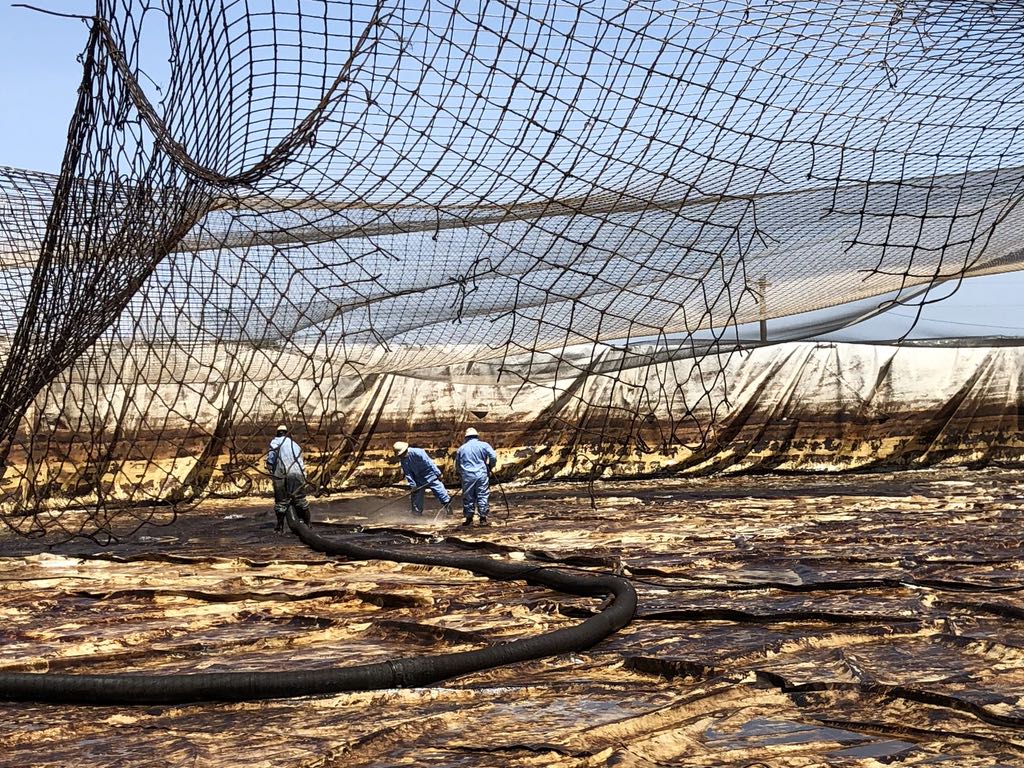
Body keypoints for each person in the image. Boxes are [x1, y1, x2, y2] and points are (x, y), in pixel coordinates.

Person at [265, 424, 311, 532]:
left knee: (281, 501)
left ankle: (279, 527)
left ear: (278, 433)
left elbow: (271, 457)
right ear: (286, 433)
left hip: (282, 474)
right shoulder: (295, 445)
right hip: (298, 474)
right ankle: (308, 524)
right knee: (300, 500)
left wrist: (269, 466)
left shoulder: (276, 441)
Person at [394, 441, 452, 517]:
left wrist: (437, 473)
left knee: (440, 490)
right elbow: (408, 473)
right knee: (416, 496)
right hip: (417, 478)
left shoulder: (418, 452)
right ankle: (417, 514)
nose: (400, 456)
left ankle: (448, 508)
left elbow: (428, 462)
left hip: (430, 475)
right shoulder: (403, 460)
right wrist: (413, 485)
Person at [455, 427, 497, 527]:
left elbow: (457, 464)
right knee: (482, 495)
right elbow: (493, 457)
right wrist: (490, 466)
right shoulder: (484, 445)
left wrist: (461, 474)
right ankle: (483, 518)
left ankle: (469, 519)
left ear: (466, 437)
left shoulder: (461, 449)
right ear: (477, 436)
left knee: (468, 496)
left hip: (467, 476)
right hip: (481, 474)